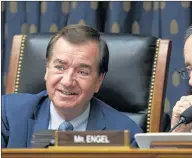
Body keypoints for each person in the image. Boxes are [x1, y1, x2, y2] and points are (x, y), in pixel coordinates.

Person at [2, 24, 143, 148]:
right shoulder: (7, 113)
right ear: (47, 69)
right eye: (60, 67)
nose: (67, 82)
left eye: (82, 72)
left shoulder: (126, 134)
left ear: (99, 81)